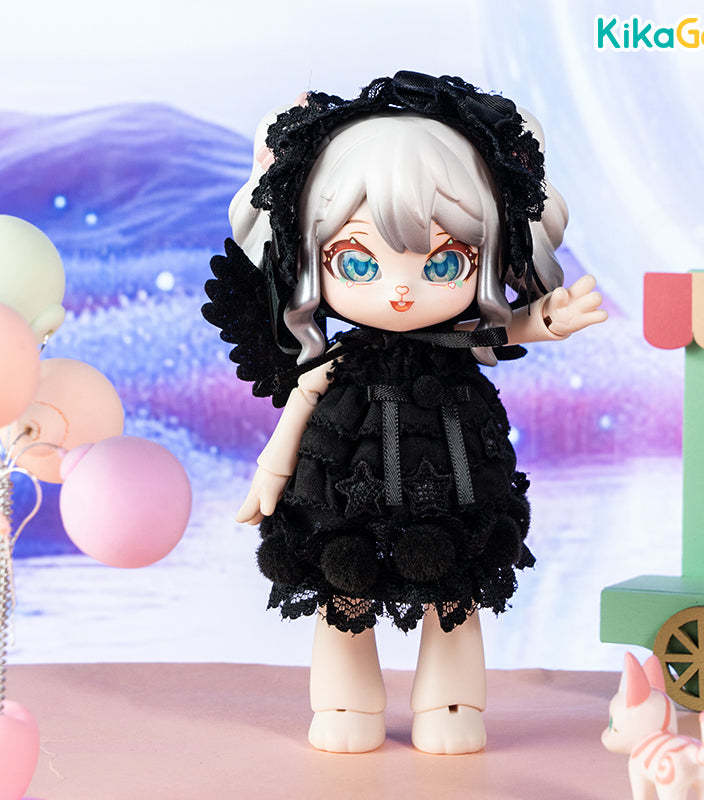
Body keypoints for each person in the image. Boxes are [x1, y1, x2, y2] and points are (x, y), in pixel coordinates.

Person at [202, 72, 607, 754]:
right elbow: (302, 398)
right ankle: (345, 703)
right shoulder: (337, 362)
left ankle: (452, 703)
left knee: (454, 594)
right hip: (345, 477)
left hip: (453, 471)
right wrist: (270, 474)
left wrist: (547, 319)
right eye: (358, 264)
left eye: (444, 264)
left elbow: (499, 330)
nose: (400, 291)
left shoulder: (456, 346)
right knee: (345, 589)